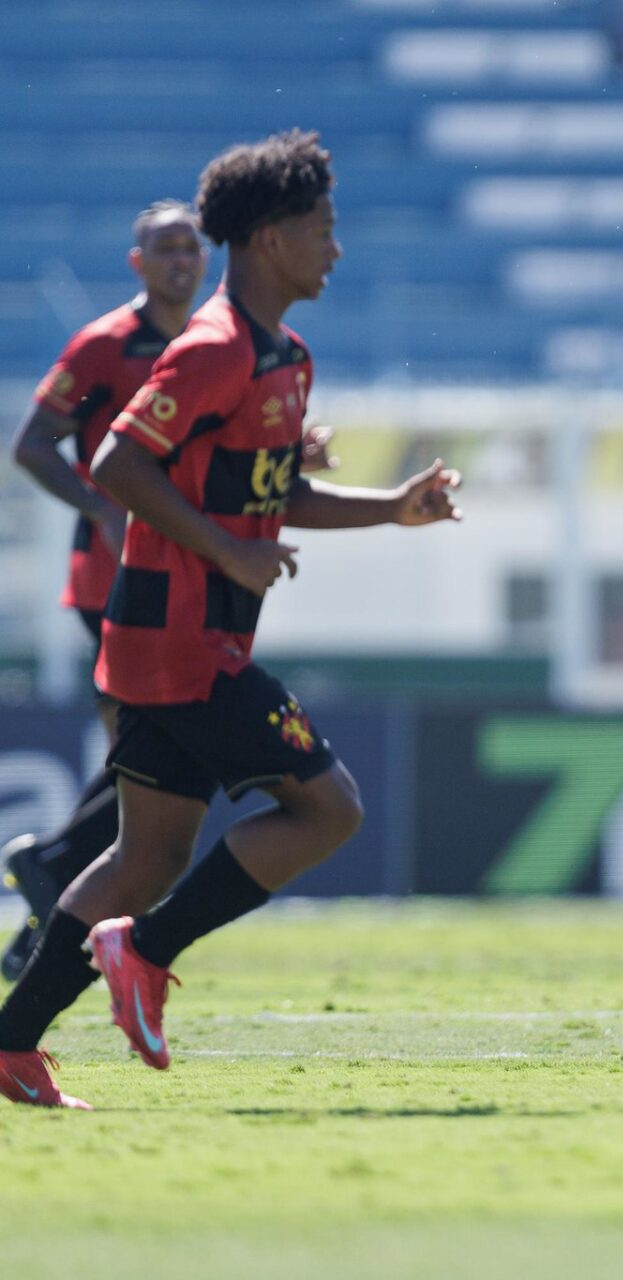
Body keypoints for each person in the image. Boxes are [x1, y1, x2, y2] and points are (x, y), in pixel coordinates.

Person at [0, 130, 462, 1109]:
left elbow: (271, 491)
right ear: (268, 239)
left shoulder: (285, 355)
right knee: (329, 809)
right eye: (322, 229)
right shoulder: (213, 347)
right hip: (181, 640)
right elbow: (118, 462)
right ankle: (146, 950)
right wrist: (226, 549)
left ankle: (8, 1044)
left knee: (147, 855)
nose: (336, 248)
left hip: (177, 637)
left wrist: (392, 507)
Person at [3, 203, 338, 981]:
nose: (182, 260)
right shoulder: (104, 345)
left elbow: (216, 458)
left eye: (192, 247)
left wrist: (288, 458)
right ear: (139, 263)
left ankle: (50, 892)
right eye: (166, 249)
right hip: (118, 582)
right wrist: (97, 506)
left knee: (147, 768)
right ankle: (59, 887)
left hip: (187, 579)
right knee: (151, 765)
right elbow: (33, 445)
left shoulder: (222, 345)